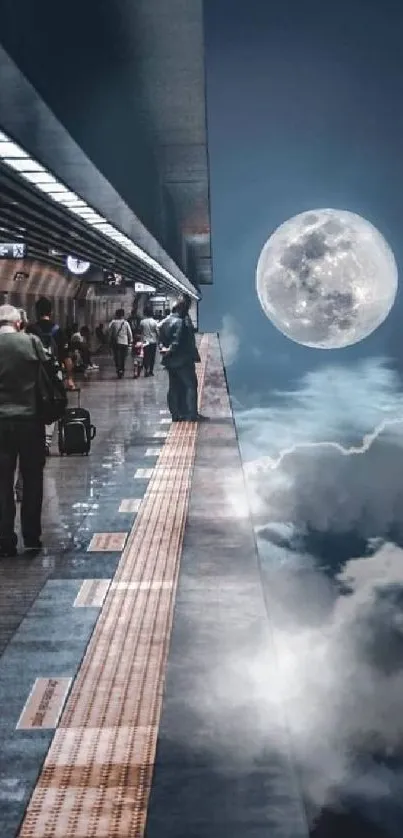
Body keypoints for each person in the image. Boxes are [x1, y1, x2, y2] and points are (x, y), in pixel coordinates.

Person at [0, 304, 61, 557]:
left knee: (1, 481)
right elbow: (49, 372)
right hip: (31, 421)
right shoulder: (32, 342)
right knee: (32, 478)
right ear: (18, 324)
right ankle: (32, 536)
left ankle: (4, 539)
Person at [27, 296, 72, 455]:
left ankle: (37, 440)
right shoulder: (57, 330)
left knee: (34, 406)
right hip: (54, 373)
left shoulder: (30, 330)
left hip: (34, 373)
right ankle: (46, 441)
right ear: (51, 312)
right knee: (53, 403)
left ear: (36, 311)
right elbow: (66, 356)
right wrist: (70, 378)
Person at [159, 296, 207, 423]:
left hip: (169, 361)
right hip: (182, 360)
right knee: (191, 385)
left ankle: (176, 415)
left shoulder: (164, 322)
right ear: (182, 309)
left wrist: (165, 350)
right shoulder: (180, 322)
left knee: (173, 387)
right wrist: (171, 349)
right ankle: (192, 414)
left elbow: (161, 341)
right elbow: (177, 341)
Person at [109, 309, 133, 378]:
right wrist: (131, 340)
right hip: (124, 343)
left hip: (116, 342)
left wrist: (109, 341)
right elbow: (129, 333)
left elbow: (110, 333)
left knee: (116, 357)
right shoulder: (126, 323)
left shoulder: (113, 323)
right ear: (123, 315)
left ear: (116, 314)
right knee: (123, 357)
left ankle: (118, 368)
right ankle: (122, 369)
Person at [140, 303, 159, 377]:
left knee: (145, 356)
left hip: (145, 341)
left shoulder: (142, 322)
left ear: (145, 313)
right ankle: (151, 370)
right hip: (153, 341)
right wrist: (159, 339)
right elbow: (157, 332)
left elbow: (141, 331)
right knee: (152, 356)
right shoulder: (154, 322)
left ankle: (146, 370)